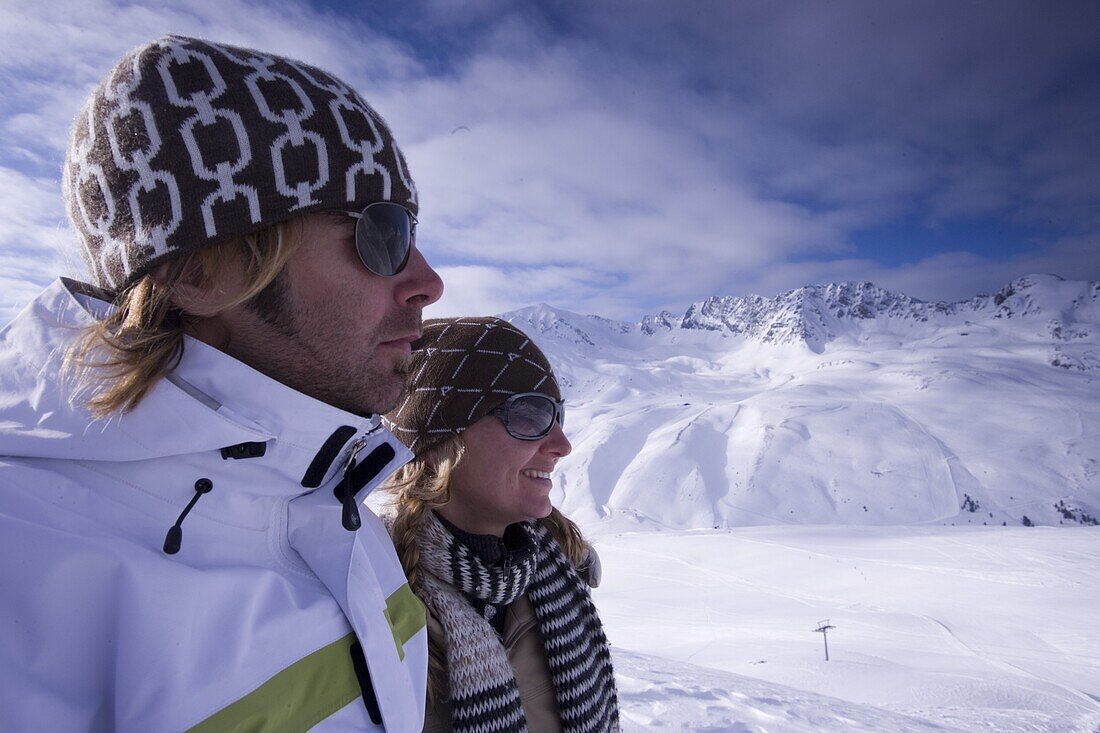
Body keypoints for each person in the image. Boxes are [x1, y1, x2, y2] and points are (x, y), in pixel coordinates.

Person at [0, 35, 444, 731]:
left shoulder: (338, 500)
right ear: (204, 271)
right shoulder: (23, 579)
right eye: (380, 233)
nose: (429, 283)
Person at [380, 317, 620, 733]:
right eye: (530, 415)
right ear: (443, 439)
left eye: (558, 415)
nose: (563, 445)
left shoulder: (561, 580)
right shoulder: (373, 602)